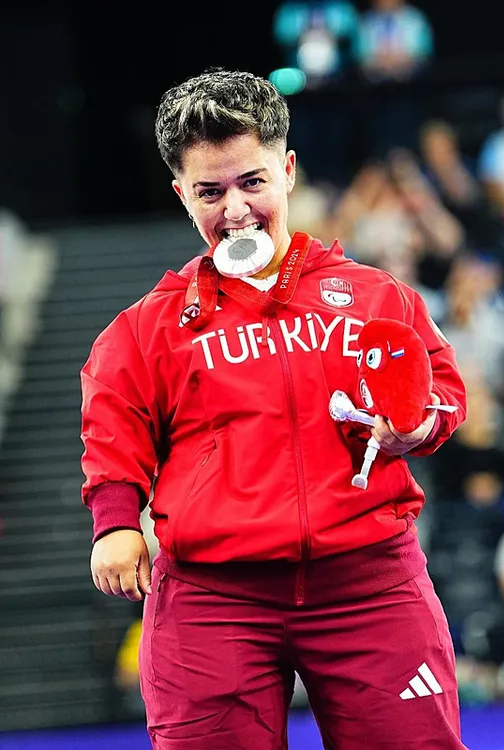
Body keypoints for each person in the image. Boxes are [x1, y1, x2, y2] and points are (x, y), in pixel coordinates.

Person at [80, 67, 468, 750]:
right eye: (210, 191)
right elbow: (114, 426)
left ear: (287, 171)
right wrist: (115, 523)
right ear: (182, 195)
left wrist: (416, 426)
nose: (234, 209)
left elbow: (441, 393)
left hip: (371, 587)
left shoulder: (377, 297)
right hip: (212, 600)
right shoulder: (147, 328)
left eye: (251, 182)